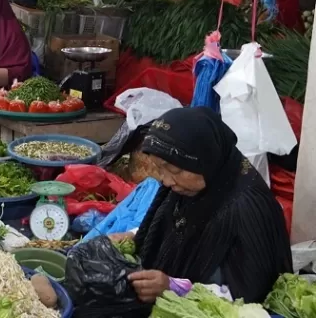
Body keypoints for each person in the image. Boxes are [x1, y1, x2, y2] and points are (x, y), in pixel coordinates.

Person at [112, 107, 292, 304]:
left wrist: (174, 288)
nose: (165, 180)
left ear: (206, 161)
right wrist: (135, 235)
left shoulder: (249, 209)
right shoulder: (188, 184)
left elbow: (251, 295)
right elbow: (168, 222)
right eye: (159, 169)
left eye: (174, 170)